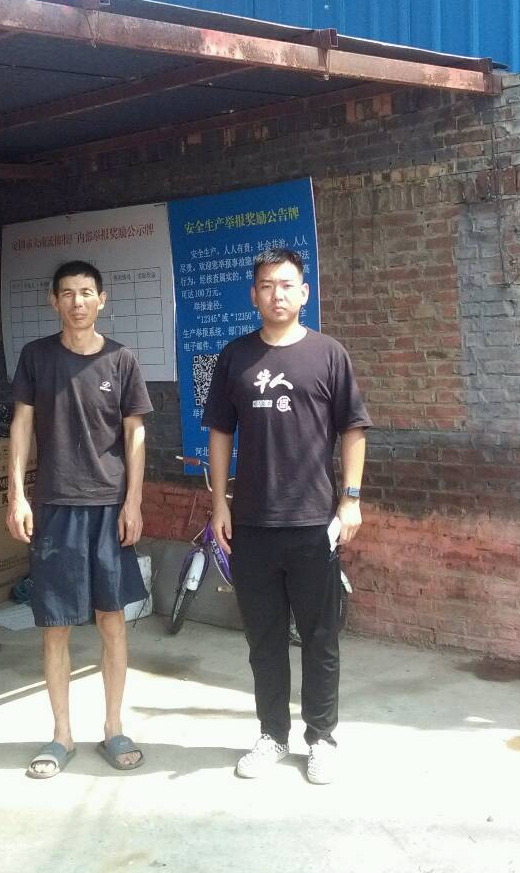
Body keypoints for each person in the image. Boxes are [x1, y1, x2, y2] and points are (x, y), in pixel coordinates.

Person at [202, 247, 370, 785]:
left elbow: (353, 429)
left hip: (313, 522)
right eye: (267, 285)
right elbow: (220, 433)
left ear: (304, 292)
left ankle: (321, 738)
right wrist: (219, 502)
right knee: (264, 638)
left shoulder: (328, 354)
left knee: (321, 637)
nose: (277, 294)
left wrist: (350, 497)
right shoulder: (235, 357)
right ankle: (272, 734)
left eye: (287, 284)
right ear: (254, 295)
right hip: (251, 523)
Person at [8, 260, 152, 777]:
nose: (77, 302)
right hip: (54, 505)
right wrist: (18, 496)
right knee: (56, 626)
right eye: (67, 293)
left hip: (110, 506)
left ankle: (113, 728)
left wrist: (133, 501)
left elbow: (135, 433)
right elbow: (22, 425)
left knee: (112, 620)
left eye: (86, 292)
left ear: (101, 299)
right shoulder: (37, 356)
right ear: (54, 301)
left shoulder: (121, 359)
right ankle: (61, 736)